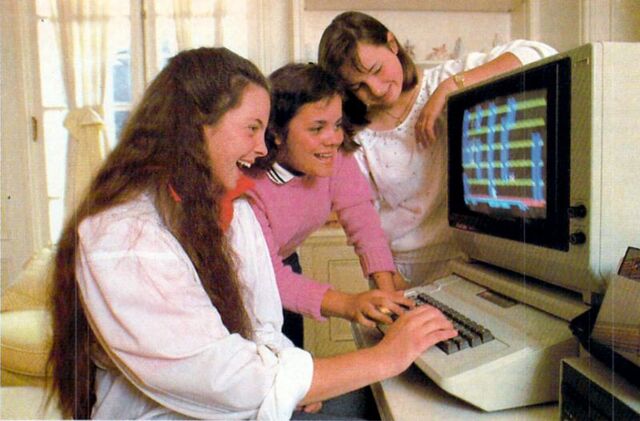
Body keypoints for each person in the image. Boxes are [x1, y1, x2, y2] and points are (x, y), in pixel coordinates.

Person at [48, 47, 457, 420]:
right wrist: (385, 357)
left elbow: (262, 322)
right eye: (251, 129)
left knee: (389, 404)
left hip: (236, 400)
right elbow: (221, 376)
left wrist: (292, 378)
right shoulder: (122, 235)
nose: (261, 149)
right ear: (194, 127)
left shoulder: (229, 210)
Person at [318, 11, 558, 284]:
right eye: (358, 86)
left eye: (376, 70)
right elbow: (364, 223)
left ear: (392, 44)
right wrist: (390, 287)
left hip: (472, 261)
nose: (375, 89)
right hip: (399, 270)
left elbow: (541, 53)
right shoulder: (356, 135)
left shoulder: (444, 79)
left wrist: (449, 88)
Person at [245, 63, 409, 348]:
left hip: (283, 262)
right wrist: (349, 304)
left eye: (336, 125)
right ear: (276, 132)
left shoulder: (337, 158)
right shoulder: (248, 187)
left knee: (293, 357)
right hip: (246, 277)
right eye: (317, 127)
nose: (333, 139)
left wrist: (389, 299)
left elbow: (364, 223)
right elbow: (269, 277)